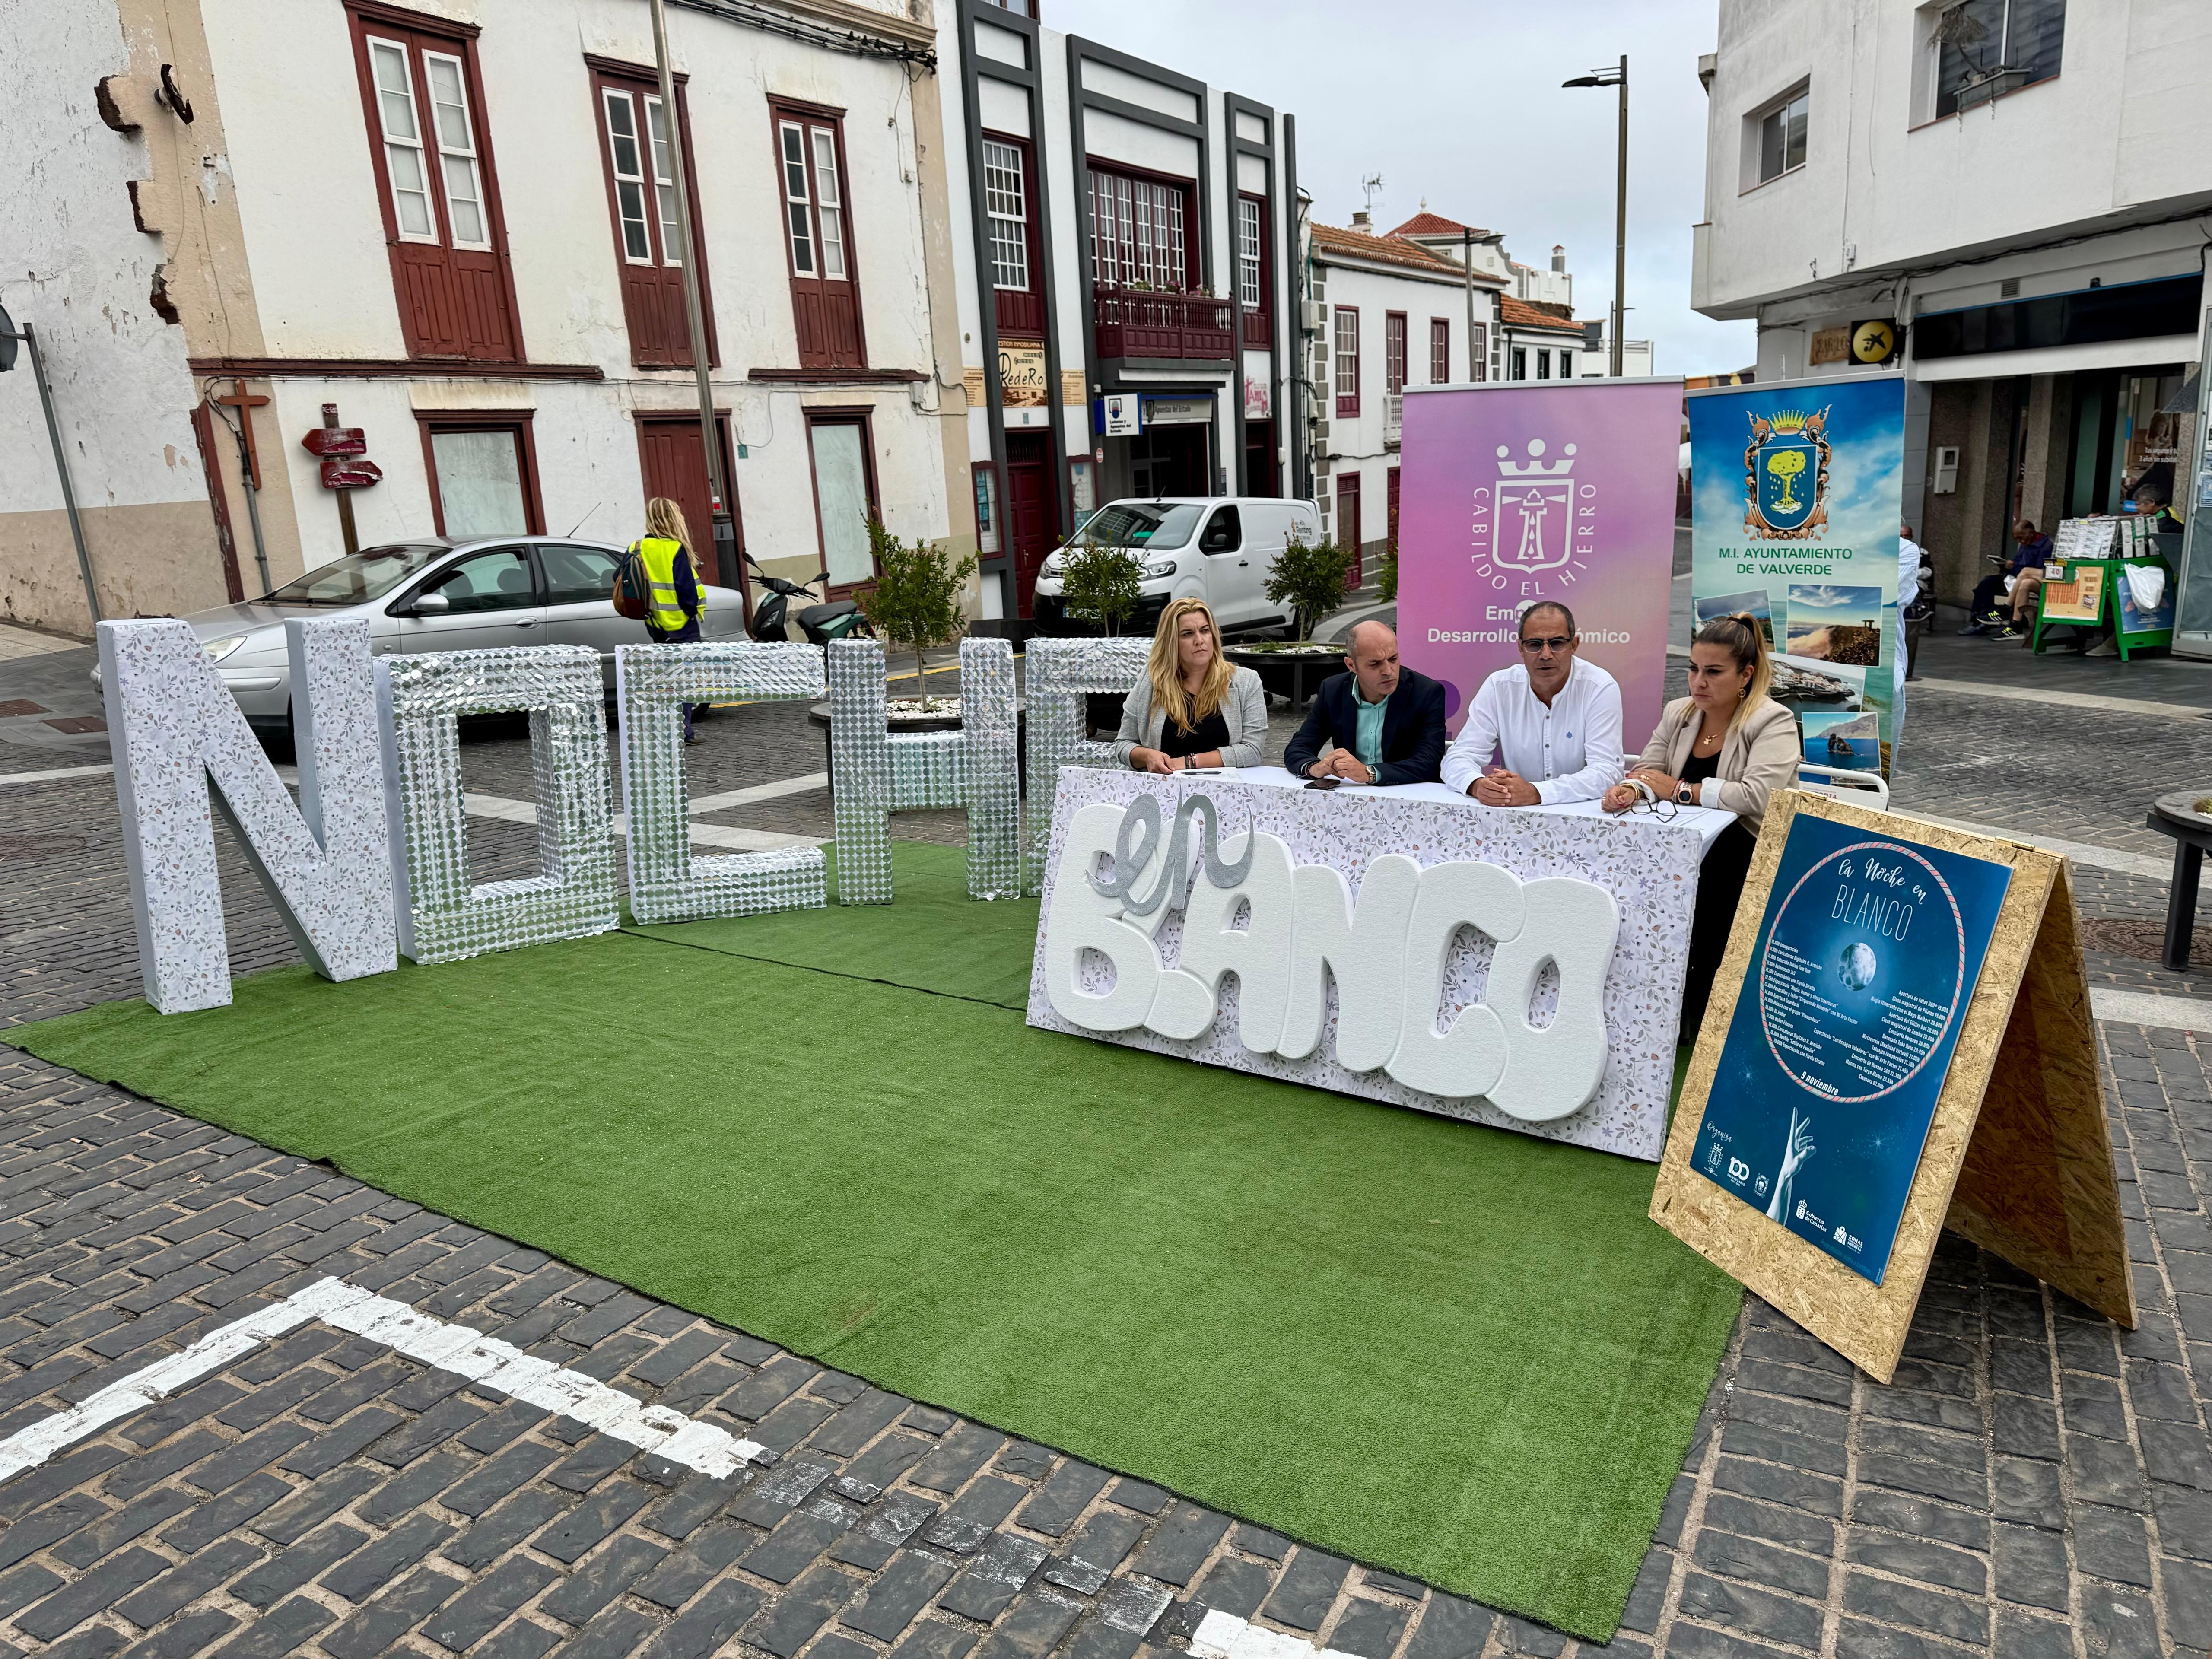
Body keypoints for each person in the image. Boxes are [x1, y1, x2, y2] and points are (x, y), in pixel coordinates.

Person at [1602, 613, 1799, 1041]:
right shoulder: (1679, 712)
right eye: (1692, 669)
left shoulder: (1773, 720)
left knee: (1700, 897)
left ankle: (1706, 1026)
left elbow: (1758, 798)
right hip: (1685, 849)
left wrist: (1681, 790)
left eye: (1713, 672)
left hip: (1745, 853)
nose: (1698, 682)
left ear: (1745, 674)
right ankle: (1647, 1015)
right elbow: (1649, 770)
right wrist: (1631, 791)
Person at [1439, 601, 1624, 805]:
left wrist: (1536, 793)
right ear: (1521, 648)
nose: (1546, 655)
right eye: (1535, 645)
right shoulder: (1499, 687)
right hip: (1515, 813)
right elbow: (1459, 757)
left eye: (1557, 643)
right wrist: (1478, 785)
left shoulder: (1598, 687)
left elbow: (1608, 771)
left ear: (1574, 645)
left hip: (1581, 816)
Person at [1281, 620, 1448, 785]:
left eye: (1393, 659)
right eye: (1375, 664)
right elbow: (1298, 747)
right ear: (1351, 665)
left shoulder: (1426, 693)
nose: (1388, 671)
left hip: (1409, 793)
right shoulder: (1333, 691)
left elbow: (1428, 762)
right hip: (1353, 794)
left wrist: (1370, 773)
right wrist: (1314, 768)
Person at [1112, 597, 1268, 773]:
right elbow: (1123, 745)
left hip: (1225, 791)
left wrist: (1188, 763)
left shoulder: (1246, 682)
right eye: (1188, 634)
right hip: (1164, 789)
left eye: (1205, 631)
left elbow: (1253, 751)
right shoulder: (1151, 681)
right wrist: (1147, 755)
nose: (1199, 640)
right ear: (1171, 642)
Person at [632, 496, 709, 741]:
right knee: (684, 680)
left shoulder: (637, 548)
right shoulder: (675, 548)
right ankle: (684, 730)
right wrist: (691, 611)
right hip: (682, 626)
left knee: (665, 679)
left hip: (655, 625)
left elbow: (620, 577)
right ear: (673, 520)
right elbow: (687, 592)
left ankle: (668, 728)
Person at [1961, 520, 2050, 638]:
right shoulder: (2024, 545)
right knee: (1987, 583)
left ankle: (2005, 612)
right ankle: (1978, 621)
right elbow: (2018, 564)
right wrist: (2008, 566)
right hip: (2013, 577)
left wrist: (2016, 567)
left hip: (2030, 579)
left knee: (2024, 578)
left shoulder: (2046, 546)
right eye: (2017, 539)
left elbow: (2037, 569)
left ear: (2031, 533)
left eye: (2022, 538)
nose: (2020, 541)